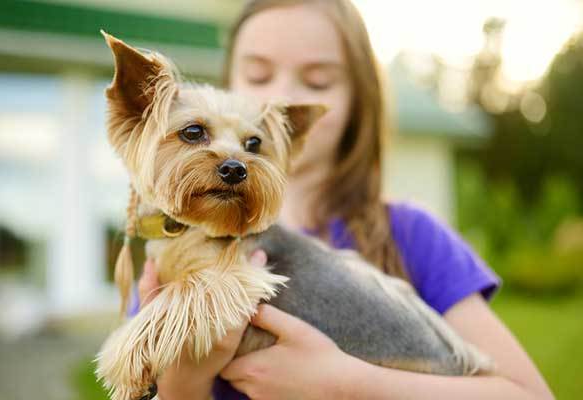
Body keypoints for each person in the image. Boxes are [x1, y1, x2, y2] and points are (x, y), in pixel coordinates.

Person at [134, 1, 555, 399]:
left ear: (359, 99)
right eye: (259, 76)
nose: (283, 95)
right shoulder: (170, 257)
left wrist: (346, 383)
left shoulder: (411, 235)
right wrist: (182, 385)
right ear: (226, 87)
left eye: (317, 81)